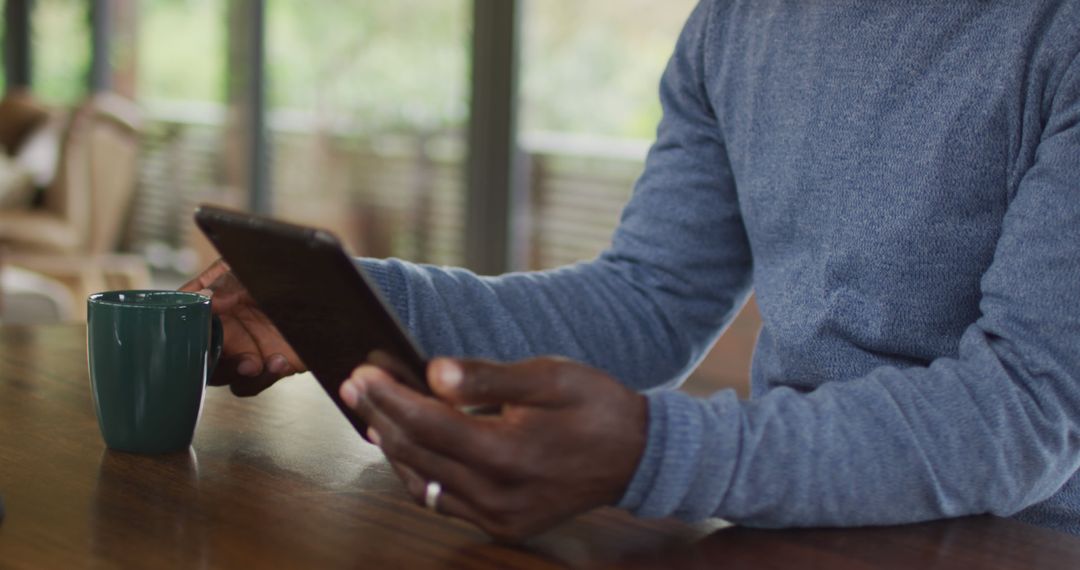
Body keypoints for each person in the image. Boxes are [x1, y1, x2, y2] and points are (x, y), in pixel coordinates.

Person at [182, 1, 1080, 542]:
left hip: (1017, 544)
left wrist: (662, 453)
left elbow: (1029, 407)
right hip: (787, 527)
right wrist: (372, 302)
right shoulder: (736, 21)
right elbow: (651, 298)